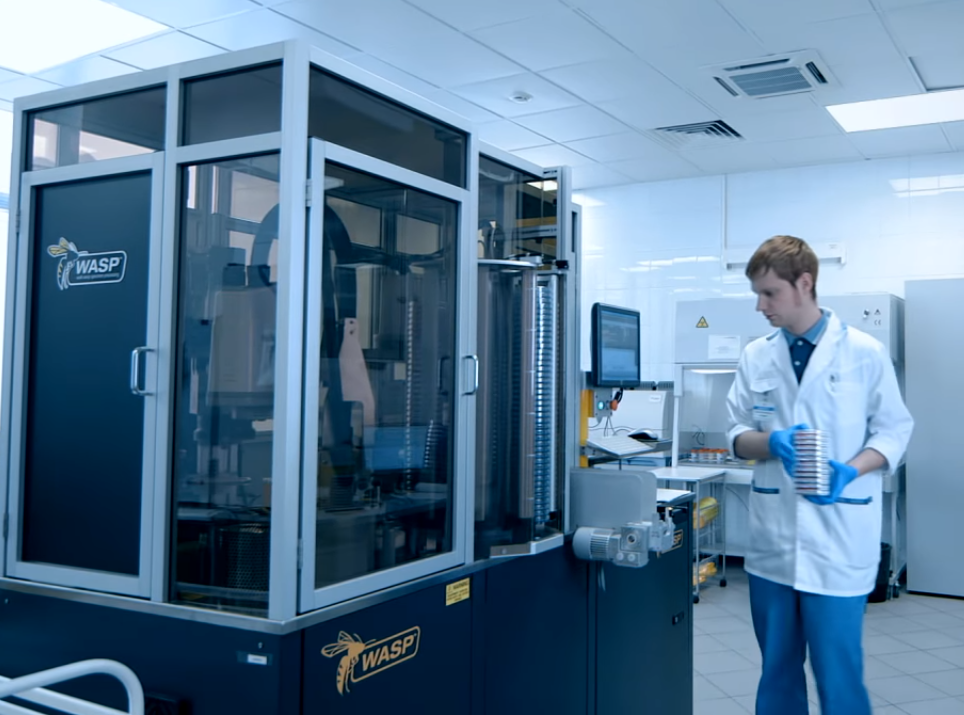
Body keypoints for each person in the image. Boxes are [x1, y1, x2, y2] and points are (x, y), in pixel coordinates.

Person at [726, 235, 913, 715]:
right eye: (758, 293)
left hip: (839, 539)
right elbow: (737, 433)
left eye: (769, 293)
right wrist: (772, 443)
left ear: (804, 283)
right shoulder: (756, 355)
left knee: (838, 673)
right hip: (772, 544)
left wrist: (849, 471)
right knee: (777, 671)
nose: (760, 305)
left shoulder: (864, 352)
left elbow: (894, 431)